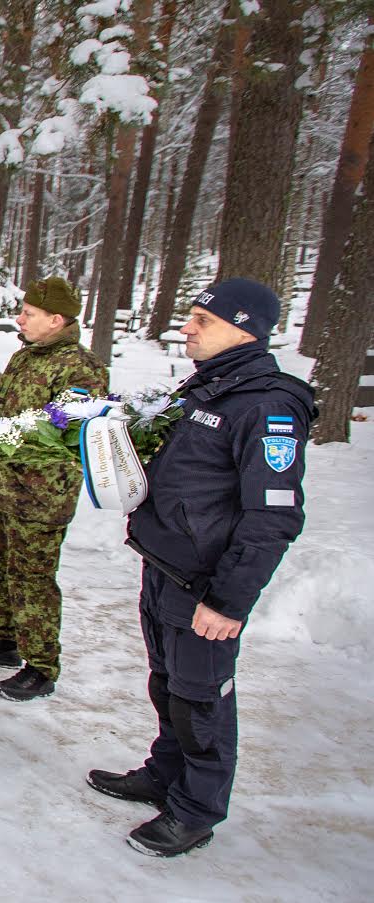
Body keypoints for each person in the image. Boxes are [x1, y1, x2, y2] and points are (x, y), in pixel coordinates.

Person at [88, 278, 313, 857]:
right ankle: (164, 774)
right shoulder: (209, 388)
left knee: (201, 699)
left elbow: (274, 519)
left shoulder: (268, 406)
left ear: (245, 330)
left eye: (201, 320)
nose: (187, 327)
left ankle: (196, 810)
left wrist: (229, 602)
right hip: (165, 566)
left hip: (206, 588)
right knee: (168, 685)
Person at [0, 276, 108, 701]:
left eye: (29, 314)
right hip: (1, 486)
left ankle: (41, 666)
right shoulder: (27, 357)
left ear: (56, 319)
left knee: (32, 580)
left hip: (39, 495)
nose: (20, 318)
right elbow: (7, 409)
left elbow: (56, 429)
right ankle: (3, 639)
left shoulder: (81, 368)